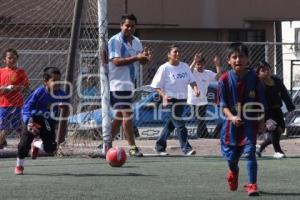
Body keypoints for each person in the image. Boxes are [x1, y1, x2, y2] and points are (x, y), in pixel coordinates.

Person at [217, 42, 266, 196]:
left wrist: (262, 122)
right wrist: (231, 117)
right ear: (228, 60)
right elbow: (223, 105)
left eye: (242, 57)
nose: (238, 60)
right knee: (232, 159)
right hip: (229, 126)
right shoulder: (224, 80)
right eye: (235, 57)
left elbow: (261, 103)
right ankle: (233, 172)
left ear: (248, 60)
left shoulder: (255, 79)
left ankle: (252, 185)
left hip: (249, 124)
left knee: (250, 152)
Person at [106, 14, 151, 157]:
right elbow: (116, 62)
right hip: (118, 84)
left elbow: (141, 62)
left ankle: (106, 143)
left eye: (132, 26)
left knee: (119, 116)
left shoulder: (137, 41)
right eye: (127, 25)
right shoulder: (115, 40)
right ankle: (132, 147)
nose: (130, 28)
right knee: (127, 114)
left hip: (130, 85)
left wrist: (145, 58)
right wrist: (137, 57)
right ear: (121, 26)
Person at [15, 67, 69, 175]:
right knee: (23, 145)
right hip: (33, 120)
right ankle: (19, 165)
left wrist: (65, 106)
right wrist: (29, 122)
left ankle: (37, 144)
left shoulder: (61, 94)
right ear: (46, 81)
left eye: (59, 80)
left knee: (51, 148)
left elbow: (66, 104)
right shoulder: (39, 92)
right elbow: (26, 108)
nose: (57, 83)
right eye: (54, 80)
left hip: (48, 122)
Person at [151, 44, 200, 156]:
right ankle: (186, 149)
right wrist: (164, 95)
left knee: (170, 125)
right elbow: (156, 86)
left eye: (179, 52)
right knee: (180, 125)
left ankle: (159, 147)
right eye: (175, 52)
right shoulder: (164, 68)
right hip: (170, 100)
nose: (178, 54)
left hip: (182, 100)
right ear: (169, 55)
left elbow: (192, 81)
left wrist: (196, 89)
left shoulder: (185, 66)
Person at [255, 61, 295, 159]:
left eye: (268, 69)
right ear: (258, 73)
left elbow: (284, 93)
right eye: (263, 70)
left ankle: (261, 146)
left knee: (280, 129)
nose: (266, 72)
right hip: (265, 111)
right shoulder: (258, 84)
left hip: (277, 109)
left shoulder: (276, 81)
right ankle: (277, 151)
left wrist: (290, 106)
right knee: (273, 128)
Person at [0, 48, 29, 149]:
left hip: (16, 104)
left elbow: (25, 87)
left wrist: (15, 88)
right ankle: (1, 142)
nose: (12, 60)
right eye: (10, 58)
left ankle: (24, 143)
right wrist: (5, 88)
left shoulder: (20, 72)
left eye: (15, 58)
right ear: (4, 60)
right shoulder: (1, 72)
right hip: (3, 104)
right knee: (4, 126)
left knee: (18, 126)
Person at [187, 53, 222, 138]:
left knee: (201, 120)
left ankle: (204, 135)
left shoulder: (207, 73)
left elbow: (218, 77)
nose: (199, 66)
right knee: (200, 120)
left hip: (203, 101)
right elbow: (188, 71)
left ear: (204, 65)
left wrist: (217, 65)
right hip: (193, 101)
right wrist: (194, 61)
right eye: (198, 64)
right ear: (195, 64)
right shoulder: (193, 72)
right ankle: (204, 135)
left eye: (201, 64)